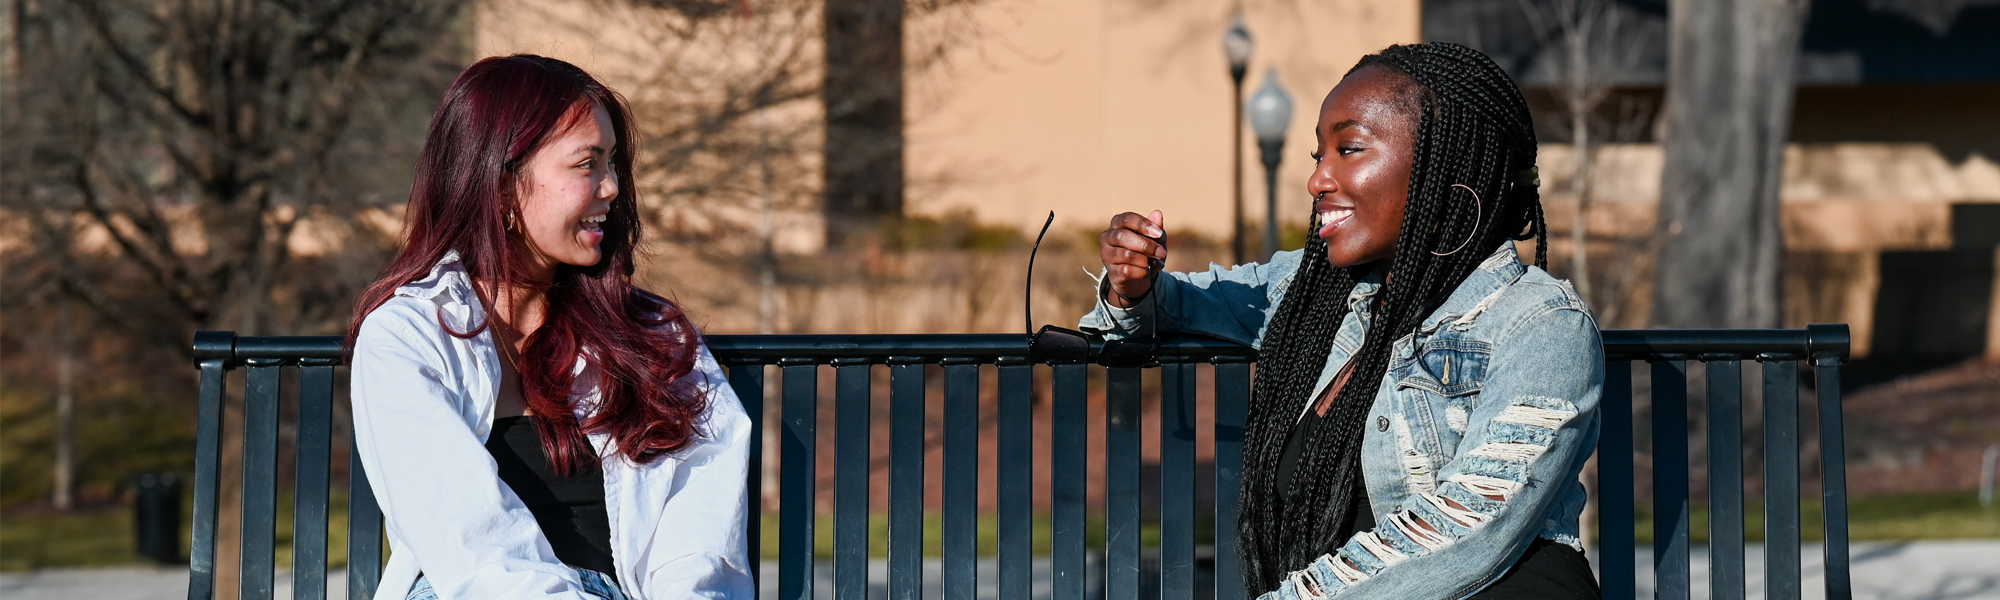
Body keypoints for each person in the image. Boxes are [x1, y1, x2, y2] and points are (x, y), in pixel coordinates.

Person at [1085, 43, 1602, 599]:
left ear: (1443, 165)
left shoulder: (1541, 324)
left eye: (1349, 149)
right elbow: (1170, 305)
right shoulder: (1314, 294)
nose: (1318, 181)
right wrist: (1131, 285)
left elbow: (1469, 523)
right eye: (1317, 156)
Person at [344, 55, 753, 600]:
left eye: (612, 163)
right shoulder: (406, 336)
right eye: (587, 164)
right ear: (501, 182)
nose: (611, 188)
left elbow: (702, 529)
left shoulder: (653, 336)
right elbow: (471, 547)